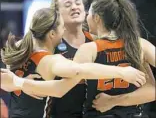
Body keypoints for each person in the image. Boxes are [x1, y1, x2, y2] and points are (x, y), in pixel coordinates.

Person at [1, 7, 145, 118]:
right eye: (62, 27)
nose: (64, 30)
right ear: (52, 34)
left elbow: (6, 80)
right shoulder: (49, 61)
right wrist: (122, 72)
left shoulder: (18, 49)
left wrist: (18, 82)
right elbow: (78, 71)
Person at [73, 0, 155, 118]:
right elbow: (152, 91)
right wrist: (115, 100)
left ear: (97, 18)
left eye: (89, 14)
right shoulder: (139, 45)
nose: (86, 17)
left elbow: (65, 87)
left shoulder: (89, 49)